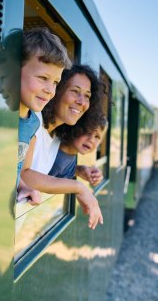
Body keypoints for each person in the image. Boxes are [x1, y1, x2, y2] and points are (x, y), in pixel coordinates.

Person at [21, 64, 107, 229]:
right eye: (75, 91)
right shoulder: (34, 120)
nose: (81, 101)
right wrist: (79, 188)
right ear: (57, 90)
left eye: (87, 96)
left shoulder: (56, 137)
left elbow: (49, 172)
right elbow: (23, 175)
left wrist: (79, 170)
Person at [15, 27, 73, 205]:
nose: (50, 90)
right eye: (42, 78)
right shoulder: (2, 118)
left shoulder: (33, 122)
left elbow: (19, 170)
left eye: (55, 82)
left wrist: (22, 185)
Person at [49, 114, 108, 186]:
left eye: (97, 136)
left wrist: (79, 170)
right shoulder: (55, 157)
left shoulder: (70, 155)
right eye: (87, 132)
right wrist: (78, 187)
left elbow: (65, 169)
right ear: (75, 127)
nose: (91, 140)